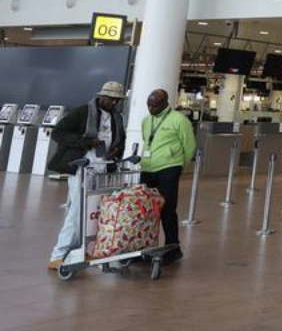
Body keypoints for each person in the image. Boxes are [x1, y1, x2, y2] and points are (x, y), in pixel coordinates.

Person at [47, 81, 127, 271]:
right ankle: (58, 254)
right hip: (82, 166)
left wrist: (118, 149)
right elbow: (58, 132)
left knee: (95, 211)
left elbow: (120, 138)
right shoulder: (83, 111)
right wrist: (86, 142)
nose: (114, 103)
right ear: (101, 96)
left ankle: (85, 248)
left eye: (117, 100)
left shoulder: (117, 116)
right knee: (77, 211)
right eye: (111, 99)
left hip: (102, 168)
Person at [140, 88, 196, 265]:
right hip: (147, 169)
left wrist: (179, 166)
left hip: (168, 169)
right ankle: (144, 245)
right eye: (148, 105)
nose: (150, 108)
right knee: (145, 209)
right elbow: (146, 140)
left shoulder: (179, 120)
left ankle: (173, 248)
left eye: (154, 105)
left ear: (165, 104)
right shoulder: (146, 120)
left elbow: (190, 146)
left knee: (167, 209)